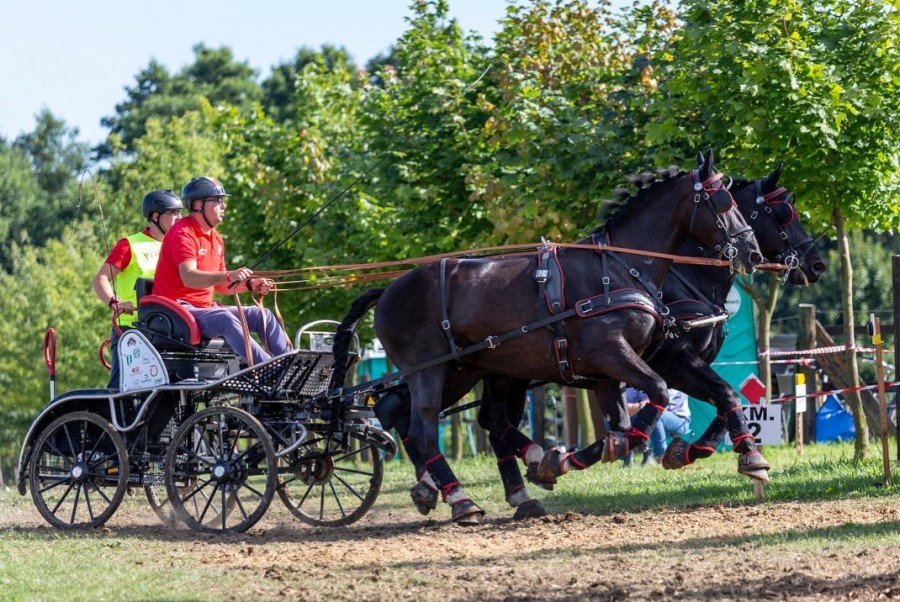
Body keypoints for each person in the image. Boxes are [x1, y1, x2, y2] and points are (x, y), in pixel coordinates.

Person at [152, 176, 290, 365]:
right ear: (198, 204)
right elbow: (189, 277)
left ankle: (290, 363)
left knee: (262, 314)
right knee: (224, 318)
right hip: (179, 310)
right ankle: (268, 368)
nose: (223, 206)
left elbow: (223, 286)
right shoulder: (182, 232)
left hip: (205, 309)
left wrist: (250, 284)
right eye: (217, 200)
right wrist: (228, 275)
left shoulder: (216, 239)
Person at [92, 190, 184, 389]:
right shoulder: (131, 245)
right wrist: (114, 303)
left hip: (169, 330)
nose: (179, 218)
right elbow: (100, 279)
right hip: (132, 328)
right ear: (155, 216)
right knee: (122, 387)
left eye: (180, 213)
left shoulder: (179, 246)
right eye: (173, 213)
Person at [622, 387, 691, 466]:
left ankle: (661, 457)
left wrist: (638, 406)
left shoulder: (674, 378)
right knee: (619, 416)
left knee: (654, 414)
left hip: (679, 420)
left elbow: (660, 400)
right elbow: (628, 399)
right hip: (646, 414)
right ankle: (628, 455)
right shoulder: (639, 378)